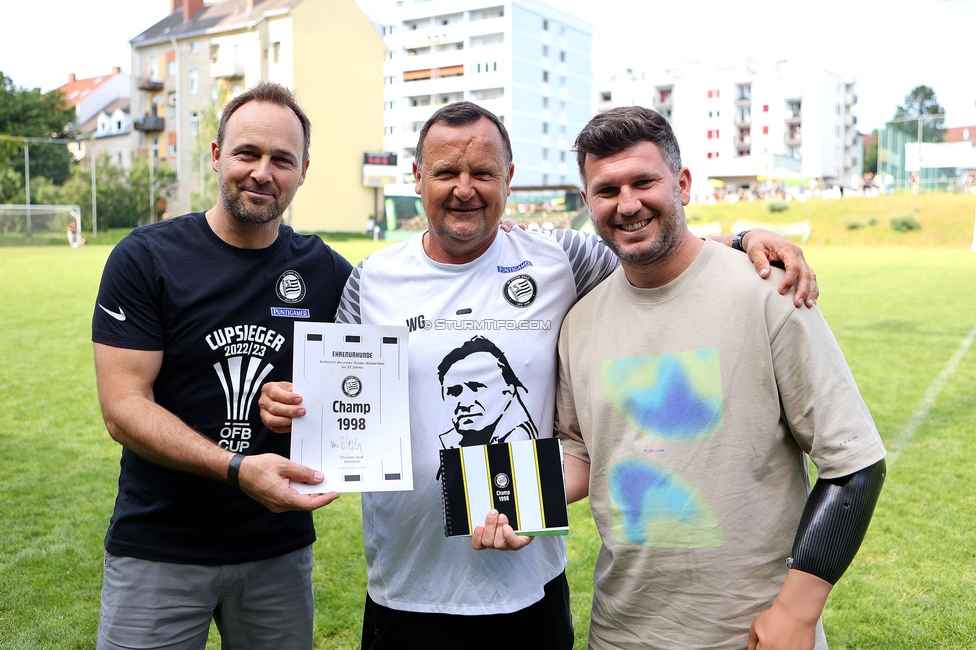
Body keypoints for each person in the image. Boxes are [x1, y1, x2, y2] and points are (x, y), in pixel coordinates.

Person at [260, 101, 819, 649]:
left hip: (530, 587)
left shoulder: (560, 258)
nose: (464, 188)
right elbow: (341, 410)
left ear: (508, 177)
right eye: (446, 172)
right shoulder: (372, 278)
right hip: (408, 585)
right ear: (416, 177)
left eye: (482, 172)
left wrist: (744, 241)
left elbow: (654, 248)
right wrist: (293, 412)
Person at [477, 106, 885, 650]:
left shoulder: (769, 293)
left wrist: (796, 612)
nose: (627, 203)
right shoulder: (579, 322)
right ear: (587, 204)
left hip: (751, 634)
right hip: (619, 631)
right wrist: (508, 503)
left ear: (683, 183)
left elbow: (854, 464)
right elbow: (580, 454)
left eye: (644, 182)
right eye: (607, 189)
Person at [91, 82, 352, 649]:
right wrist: (237, 468)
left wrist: (492, 237)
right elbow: (123, 409)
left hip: (277, 550)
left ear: (303, 170)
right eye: (247, 154)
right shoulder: (145, 259)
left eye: (282, 160)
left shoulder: (327, 270)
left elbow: (374, 373)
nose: (263, 173)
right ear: (216, 156)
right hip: (160, 546)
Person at [437, 335, 539, 450]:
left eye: (476, 387)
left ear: (508, 390)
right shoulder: (449, 442)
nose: (464, 404)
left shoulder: (524, 443)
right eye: (454, 392)